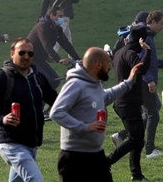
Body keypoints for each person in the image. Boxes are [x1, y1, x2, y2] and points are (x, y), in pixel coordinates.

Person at [49, 47, 143, 182]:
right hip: (74, 158)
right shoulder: (75, 84)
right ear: (98, 64)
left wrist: (129, 82)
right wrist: (85, 127)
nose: (110, 67)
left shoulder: (95, 84)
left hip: (96, 155)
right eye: (108, 63)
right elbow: (56, 112)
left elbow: (106, 96)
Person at [0, 38, 58, 182]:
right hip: (11, 144)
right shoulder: (3, 77)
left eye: (30, 54)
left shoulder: (37, 77)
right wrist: (1, 119)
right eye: (22, 53)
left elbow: (57, 101)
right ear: (12, 53)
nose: (26, 57)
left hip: (32, 144)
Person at [111, 11, 163, 159]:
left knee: (153, 109)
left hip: (145, 80)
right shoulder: (145, 37)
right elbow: (139, 62)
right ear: (151, 22)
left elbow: (148, 60)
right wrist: (149, 79)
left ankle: (120, 135)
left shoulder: (149, 37)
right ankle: (150, 150)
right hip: (144, 81)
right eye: (161, 23)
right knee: (153, 115)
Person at [107, 23, 151, 181]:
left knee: (137, 140)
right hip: (128, 103)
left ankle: (136, 175)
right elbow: (142, 69)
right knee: (136, 139)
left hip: (122, 102)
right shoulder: (131, 53)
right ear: (141, 40)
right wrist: (148, 51)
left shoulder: (120, 51)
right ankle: (106, 162)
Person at [26, 6, 81, 90]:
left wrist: (79, 60)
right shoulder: (42, 26)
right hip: (30, 58)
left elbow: (66, 45)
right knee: (46, 80)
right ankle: (35, 100)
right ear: (52, 16)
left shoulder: (57, 28)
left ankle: (42, 101)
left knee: (55, 80)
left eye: (63, 16)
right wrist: (58, 59)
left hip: (40, 59)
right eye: (60, 16)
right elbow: (46, 44)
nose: (62, 19)